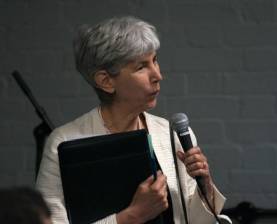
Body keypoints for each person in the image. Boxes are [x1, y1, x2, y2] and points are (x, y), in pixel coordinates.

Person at [36, 16, 227, 224]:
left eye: (155, 60)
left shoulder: (172, 135)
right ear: (106, 81)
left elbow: (195, 221)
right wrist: (131, 217)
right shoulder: (63, 143)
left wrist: (205, 187)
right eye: (141, 67)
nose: (157, 75)